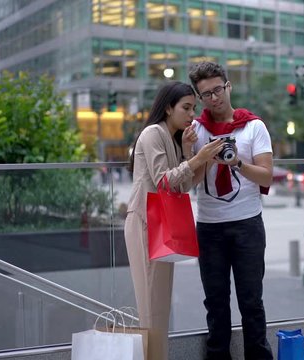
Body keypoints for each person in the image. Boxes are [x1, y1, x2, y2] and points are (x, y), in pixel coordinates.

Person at [124, 81, 225, 359]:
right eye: (186, 108)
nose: (192, 114)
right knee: (150, 308)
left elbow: (184, 186)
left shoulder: (173, 138)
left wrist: (197, 156)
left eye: (193, 108)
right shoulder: (153, 133)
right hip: (145, 222)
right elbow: (163, 181)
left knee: (158, 307)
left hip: (158, 225)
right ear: (168, 107)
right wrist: (195, 159)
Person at [188, 61, 274, 360]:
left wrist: (236, 162)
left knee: (251, 301)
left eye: (218, 89)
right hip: (209, 227)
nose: (214, 98)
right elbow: (192, 184)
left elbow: (266, 176)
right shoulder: (195, 130)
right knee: (215, 302)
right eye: (206, 94)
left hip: (247, 224)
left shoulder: (253, 126)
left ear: (229, 86)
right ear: (199, 98)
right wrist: (197, 155)